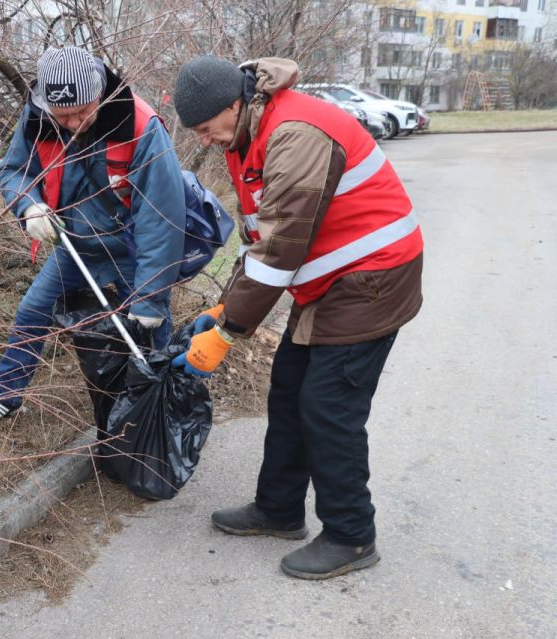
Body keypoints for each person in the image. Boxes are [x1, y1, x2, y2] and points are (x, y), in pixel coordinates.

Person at [170, 56, 423, 579]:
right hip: (330, 282)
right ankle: (279, 509)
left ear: (233, 105)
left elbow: (281, 250)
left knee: (328, 408)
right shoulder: (247, 137)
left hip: (371, 278)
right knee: (289, 388)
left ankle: (352, 536)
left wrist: (227, 333)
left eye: (205, 128)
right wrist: (227, 306)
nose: (204, 141)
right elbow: (262, 239)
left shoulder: (296, 134)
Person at [0, 46, 186, 427]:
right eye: (63, 116)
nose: (74, 123)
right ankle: (7, 397)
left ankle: (161, 405)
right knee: (32, 311)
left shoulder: (141, 126)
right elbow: (14, 171)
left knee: (151, 329)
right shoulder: (39, 118)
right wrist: (29, 206)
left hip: (131, 248)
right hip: (75, 245)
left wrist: (149, 298)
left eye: (83, 111)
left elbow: (162, 220)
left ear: (100, 92)